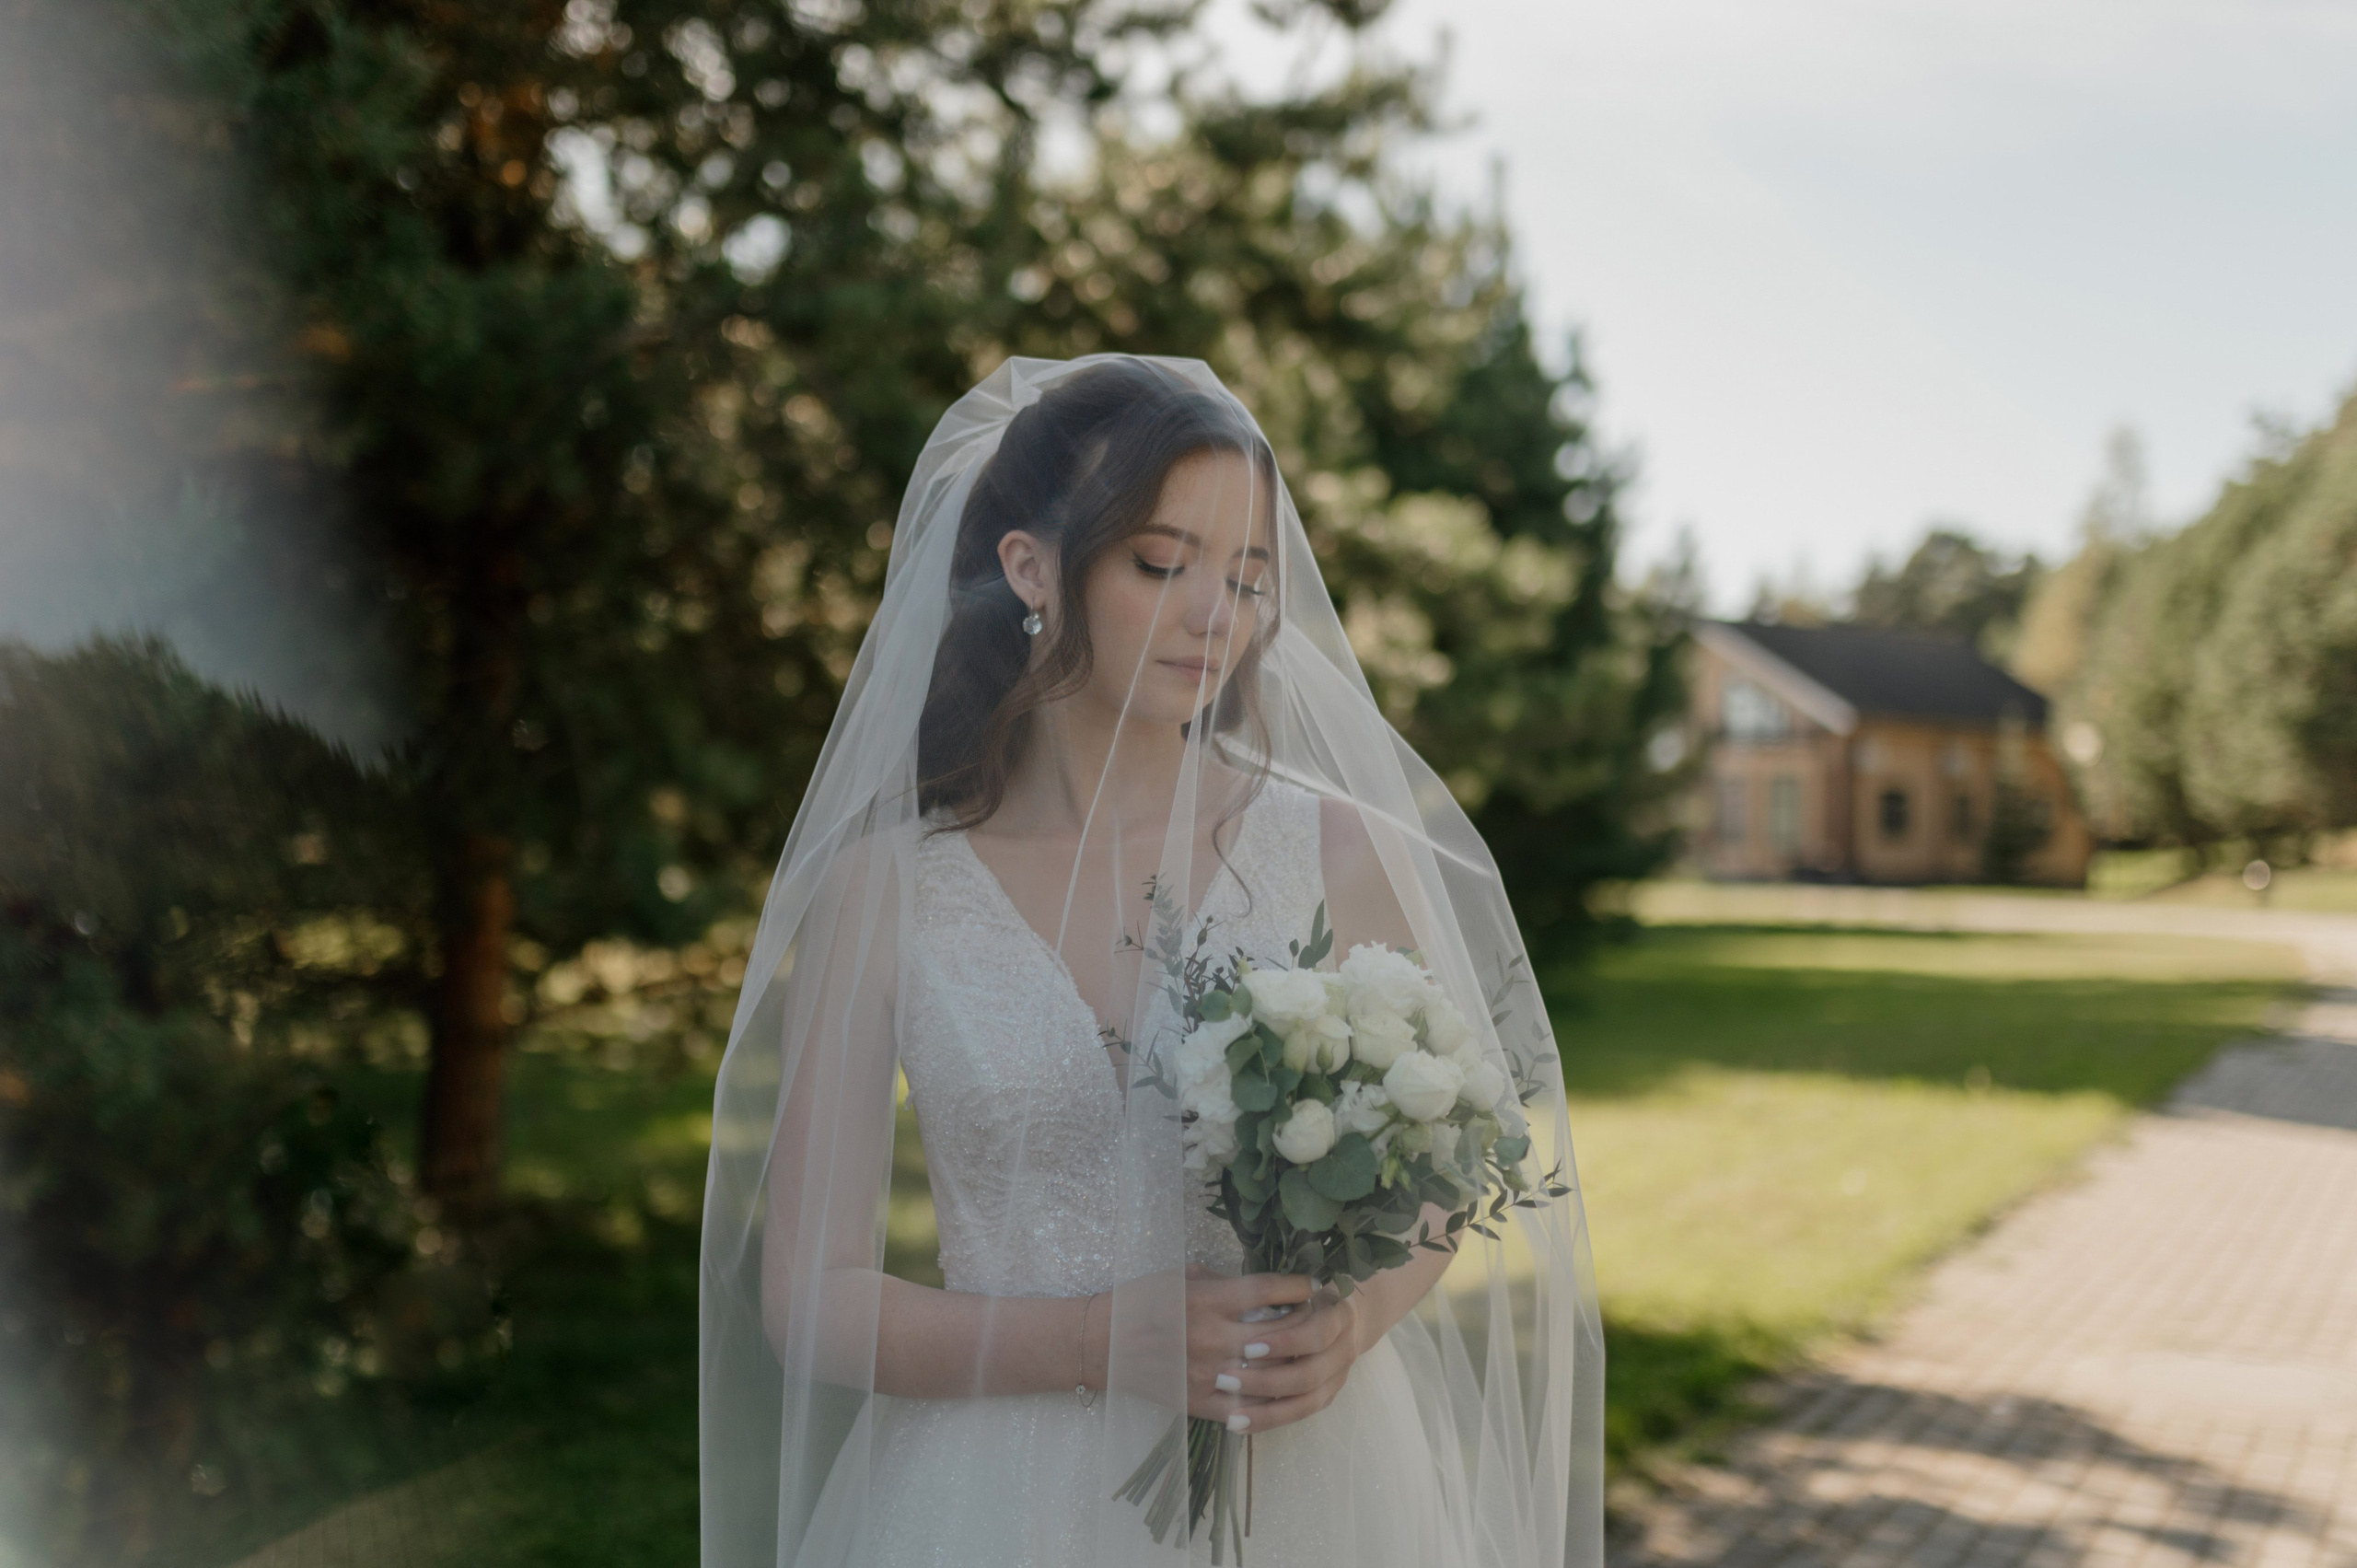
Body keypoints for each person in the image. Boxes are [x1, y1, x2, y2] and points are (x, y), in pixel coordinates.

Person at [699, 355, 1602, 1567]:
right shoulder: (885, 894)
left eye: (1245, 578)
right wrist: (1092, 1346)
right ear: (1030, 568)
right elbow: (809, 1302)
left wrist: (1358, 1320)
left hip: (1310, 1486)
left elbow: (1447, 1172)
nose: (1215, 618)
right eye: (1163, 565)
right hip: (990, 1503)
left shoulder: (1344, 852)